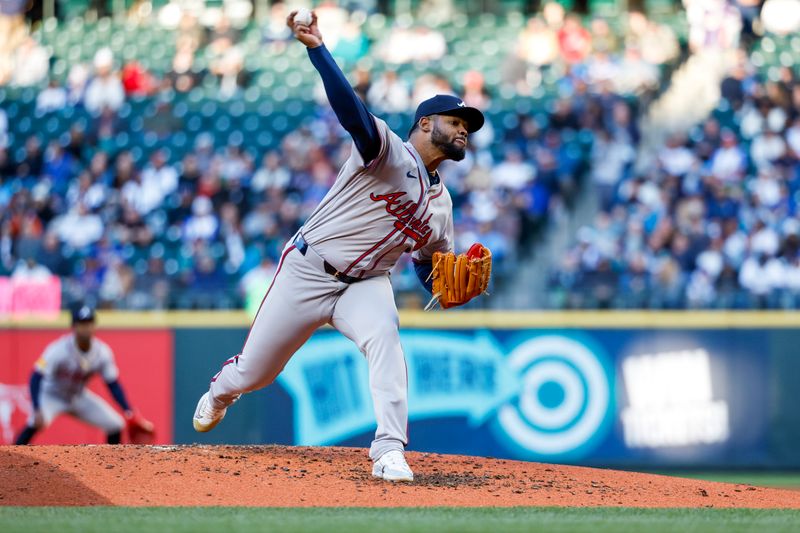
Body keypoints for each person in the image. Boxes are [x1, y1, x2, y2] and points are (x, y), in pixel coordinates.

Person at [192, 10, 487, 483]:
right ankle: (220, 392)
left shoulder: (443, 205)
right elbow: (351, 112)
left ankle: (389, 449)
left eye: (467, 125)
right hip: (309, 268)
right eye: (456, 121)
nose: (464, 130)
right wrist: (317, 50)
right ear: (426, 122)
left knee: (387, 341)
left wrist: (447, 288)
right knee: (255, 374)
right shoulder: (390, 152)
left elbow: (428, 262)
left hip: (366, 284)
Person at [15, 305, 139, 445]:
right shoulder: (59, 349)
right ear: (74, 326)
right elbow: (36, 377)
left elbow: (113, 384)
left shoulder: (102, 352)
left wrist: (128, 410)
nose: (86, 328)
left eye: (89, 323)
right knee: (36, 422)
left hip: (78, 396)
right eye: (82, 324)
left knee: (116, 425)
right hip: (52, 395)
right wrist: (37, 408)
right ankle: (9, 459)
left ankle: (113, 464)